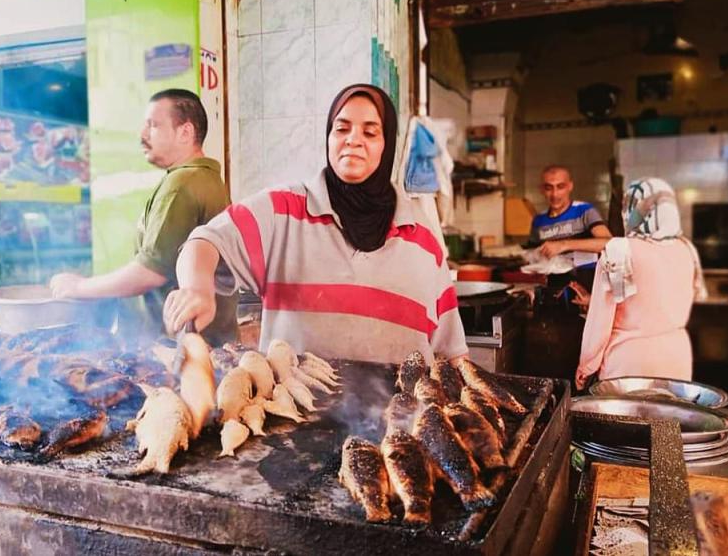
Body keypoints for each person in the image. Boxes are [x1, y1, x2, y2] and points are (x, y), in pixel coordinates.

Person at [163, 84, 468, 364]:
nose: (353, 140)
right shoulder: (283, 210)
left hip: (402, 420)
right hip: (293, 419)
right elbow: (205, 241)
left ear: (387, 145)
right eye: (342, 128)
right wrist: (197, 288)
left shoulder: (422, 237)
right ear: (329, 137)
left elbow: (452, 353)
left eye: (370, 132)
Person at [50, 89, 237, 344]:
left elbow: (150, 272)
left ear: (185, 132)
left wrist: (79, 288)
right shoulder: (207, 178)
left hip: (179, 349)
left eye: (153, 125)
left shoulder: (183, 183)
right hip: (203, 344)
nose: (143, 135)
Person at [574, 178, 707, 389]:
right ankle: (665, 425)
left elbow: (599, 323)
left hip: (629, 364)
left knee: (624, 421)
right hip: (676, 358)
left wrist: (586, 366)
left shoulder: (618, 251)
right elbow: (659, 299)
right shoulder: (686, 249)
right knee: (667, 420)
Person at [530, 165, 612, 259]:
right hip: (550, 272)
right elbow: (532, 253)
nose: (554, 194)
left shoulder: (584, 210)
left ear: (570, 186)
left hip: (585, 272)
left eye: (560, 187)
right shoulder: (538, 220)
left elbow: (609, 243)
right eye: (549, 188)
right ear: (542, 190)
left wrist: (564, 245)